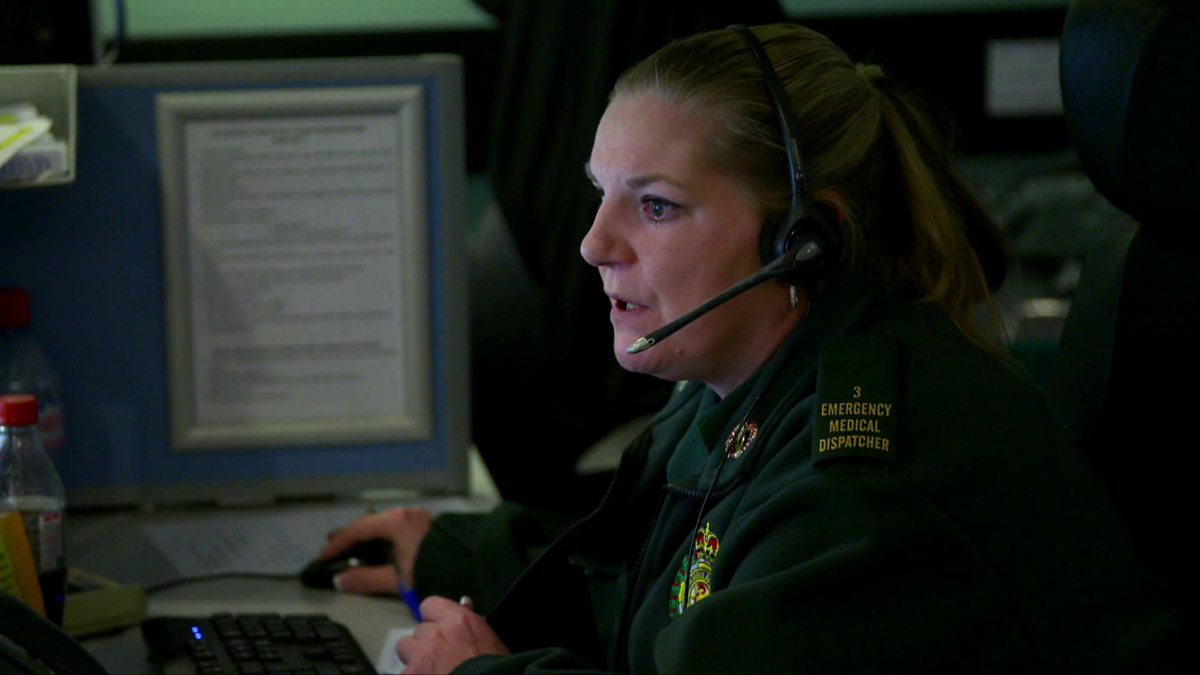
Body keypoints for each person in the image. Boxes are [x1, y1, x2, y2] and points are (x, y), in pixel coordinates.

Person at [320, 23, 1183, 673]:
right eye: (601, 193)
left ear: (803, 240)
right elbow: (653, 577)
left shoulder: (864, 490)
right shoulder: (751, 379)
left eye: (656, 206)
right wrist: (459, 554)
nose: (594, 243)